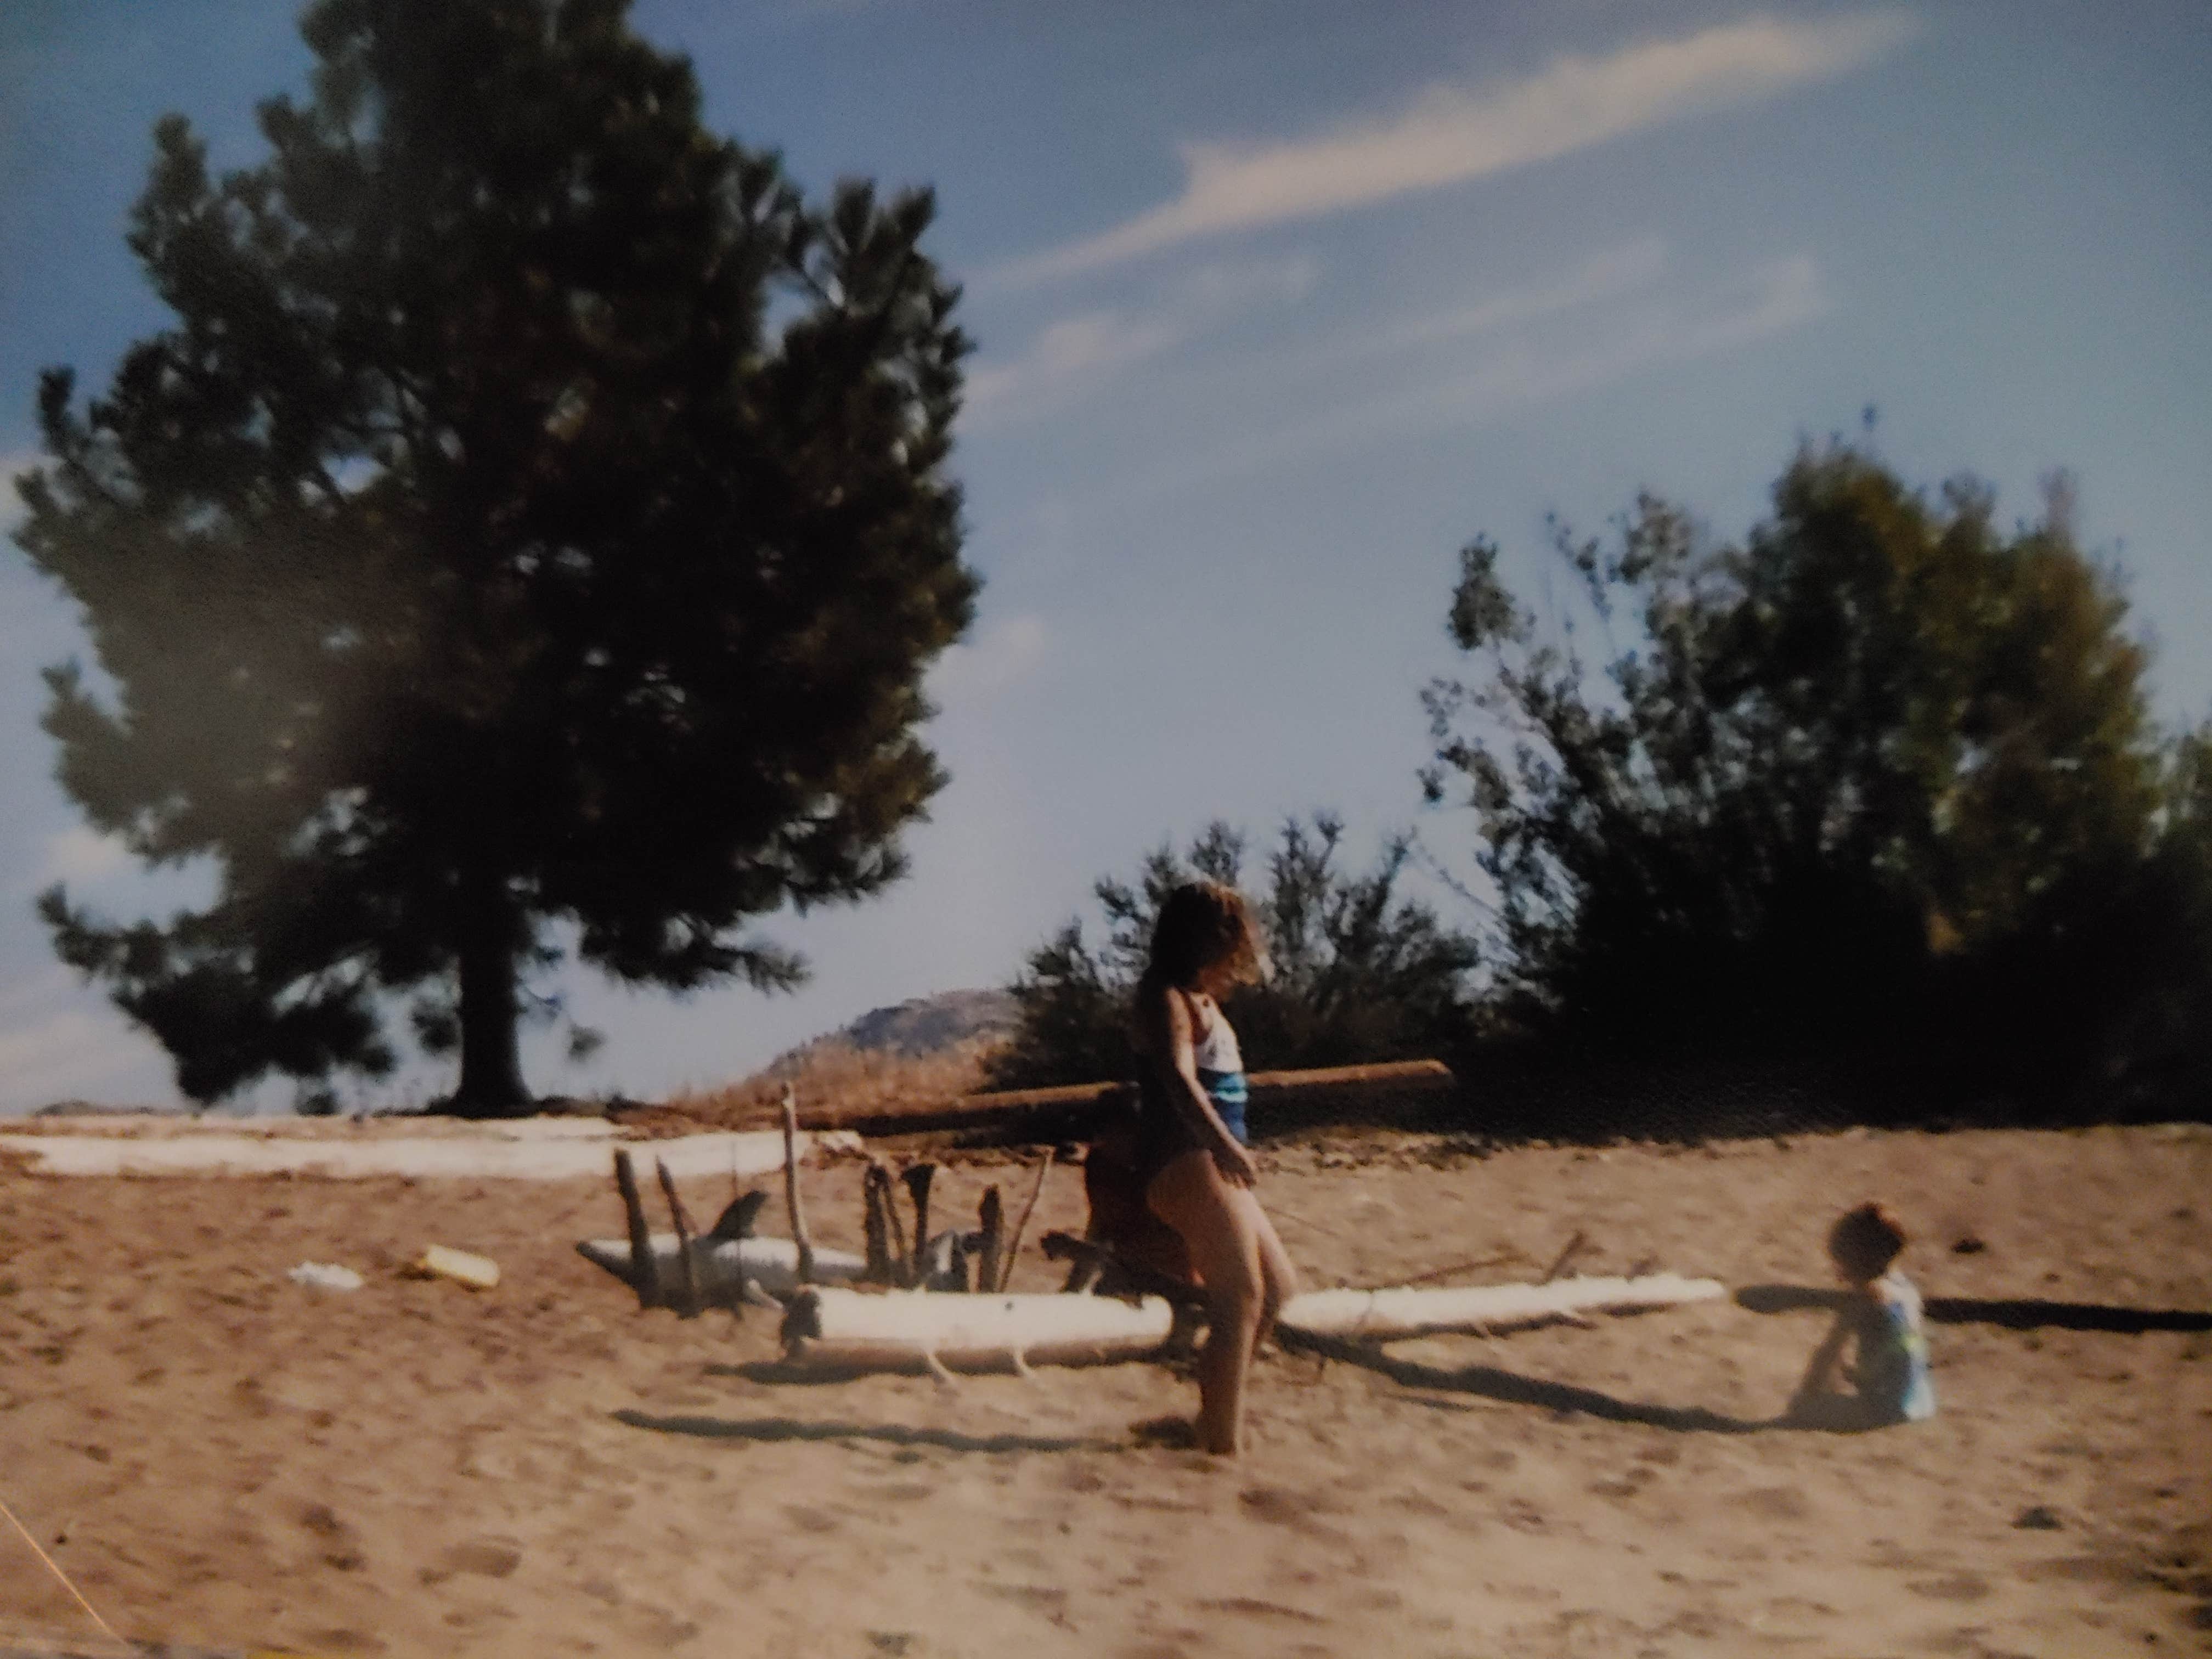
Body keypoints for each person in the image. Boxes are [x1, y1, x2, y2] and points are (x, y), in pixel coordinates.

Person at [1124, 881, 1300, 1455]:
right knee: (1240, 1293)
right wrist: (1222, 1144)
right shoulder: (1165, 996)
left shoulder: (1204, 999)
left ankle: (1209, 1411)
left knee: (1275, 1289)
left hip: (1213, 1159)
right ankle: (1220, 1444)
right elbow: (1178, 1077)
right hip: (1185, 1158)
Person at [1787, 1201, 1937, 1429]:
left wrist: (1806, 1397)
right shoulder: (1906, 1289)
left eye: (1843, 1267)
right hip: (1920, 1401)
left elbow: (1829, 1352)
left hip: (1884, 1408)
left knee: (1802, 1406)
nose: (1840, 1278)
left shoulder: (1867, 1298)